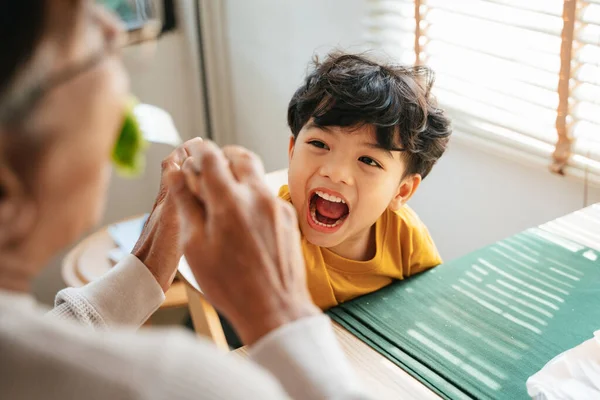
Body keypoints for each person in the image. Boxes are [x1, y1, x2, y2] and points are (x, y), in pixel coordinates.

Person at [0, 2, 372, 399]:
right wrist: (281, 315)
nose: (112, 28)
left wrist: (151, 258)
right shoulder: (170, 383)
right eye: (82, 35)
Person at [281, 53, 452, 309]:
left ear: (401, 192)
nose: (335, 173)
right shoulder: (272, 231)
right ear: (293, 151)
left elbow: (428, 308)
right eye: (319, 144)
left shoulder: (405, 235)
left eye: (368, 161)